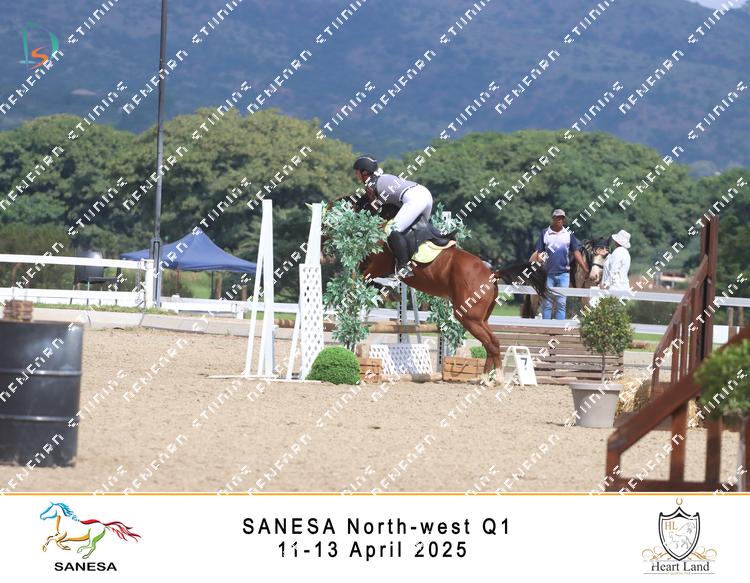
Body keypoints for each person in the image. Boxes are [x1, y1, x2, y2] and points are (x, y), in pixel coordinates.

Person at [353, 155, 433, 278]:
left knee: (392, 229)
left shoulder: (371, 185)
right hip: (425, 194)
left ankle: (404, 267)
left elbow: (374, 211)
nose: (356, 175)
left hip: (414, 199)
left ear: (364, 172)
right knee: (415, 231)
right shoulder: (382, 178)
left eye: (357, 172)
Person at [533, 209, 589, 319]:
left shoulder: (568, 234)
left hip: (564, 274)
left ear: (564, 220)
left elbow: (576, 251)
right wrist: (540, 261)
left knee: (561, 304)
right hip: (547, 274)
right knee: (547, 304)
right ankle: (546, 327)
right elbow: (539, 251)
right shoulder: (545, 233)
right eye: (558, 217)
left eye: (562, 218)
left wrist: (584, 268)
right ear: (553, 219)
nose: (560, 220)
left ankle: (559, 327)